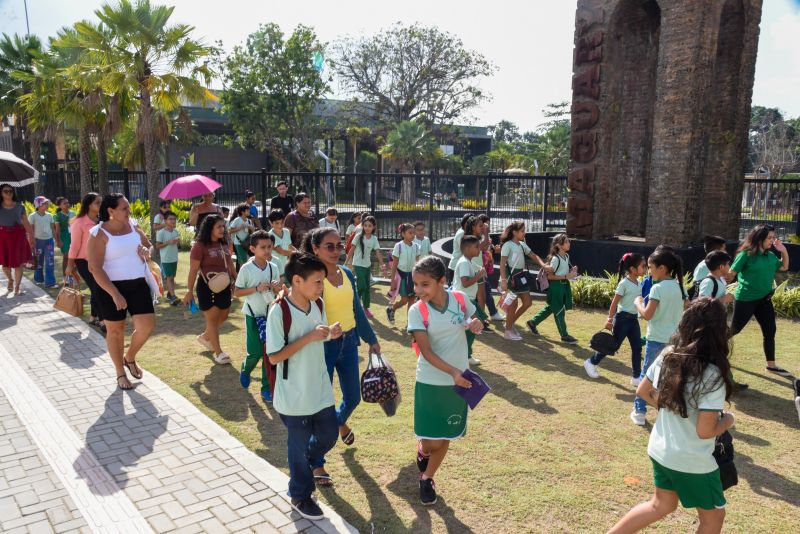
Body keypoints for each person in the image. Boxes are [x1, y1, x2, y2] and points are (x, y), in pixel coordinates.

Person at [609, 298, 735, 534]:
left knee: (660, 505)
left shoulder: (669, 354)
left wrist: (674, 406)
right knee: (714, 517)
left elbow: (643, 391)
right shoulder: (713, 374)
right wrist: (728, 421)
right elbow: (705, 431)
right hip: (692, 460)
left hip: (660, 449)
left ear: (685, 323)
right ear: (720, 330)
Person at [266, 252, 342, 521]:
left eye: (322, 281)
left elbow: (317, 335)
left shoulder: (317, 303)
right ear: (297, 280)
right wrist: (310, 337)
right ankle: (300, 494)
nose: (322, 286)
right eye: (318, 281)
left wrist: (330, 332)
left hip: (319, 388)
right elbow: (274, 356)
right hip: (293, 394)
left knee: (329, 436)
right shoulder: (279, 311)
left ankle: (305, 462)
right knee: (296, 446)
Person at [303, 228, 381, 486]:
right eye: (330, 246)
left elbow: (356, 309)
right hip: (323, 347)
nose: (337, 251)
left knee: (353, 398)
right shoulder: (312, 278)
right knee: (322, 405)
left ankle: (339, 424)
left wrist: (371, 339)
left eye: (339, 246)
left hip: (349, 343)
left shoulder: (347, 273)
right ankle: (316, 461)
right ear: (315, 249)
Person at [408, 256, 483, 506]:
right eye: (416, 284)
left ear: (442, 281)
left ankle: (427, 477)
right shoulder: (416, 310)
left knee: (447, 435)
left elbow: (476, 320)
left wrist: (476, 324)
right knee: (432, 440)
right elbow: (427, 352)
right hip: (430, 381)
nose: (418, 290)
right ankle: (423, 449)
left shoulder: (460, 300)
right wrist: (453, 372)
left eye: (425, 284)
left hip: (459, 381)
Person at [87, 194, 155, 390]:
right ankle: (120, 373)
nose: (129, 211)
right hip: (110, 288)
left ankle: (130, 357)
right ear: (111, 211)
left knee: (147, 325)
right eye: (124, 208)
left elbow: (148, 246)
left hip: (138, 284)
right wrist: (115, 293)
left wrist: (146, 251)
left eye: (128, 207)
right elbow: (94, 268)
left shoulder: (133, 225)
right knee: (115, 332)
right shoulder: (98, 233)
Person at [727, 224, 791, 382]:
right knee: (734, 330)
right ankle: (710, 353)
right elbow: (730, 275)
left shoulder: (770, 256)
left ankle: (771, 365)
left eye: (773, 237)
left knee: (770, 331)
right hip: (745, 300)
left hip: (764, 300)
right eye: (769, 238)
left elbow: (784, 267)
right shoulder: (745, 255)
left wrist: (783, 250)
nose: (772, 240)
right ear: (759, 238)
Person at [630, 248, 686, 426]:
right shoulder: (678, 287)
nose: (648, 271)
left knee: (648, 376)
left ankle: (639, 411)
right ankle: (667, 409)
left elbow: (647, 315)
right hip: (674, 341)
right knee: (669, 378)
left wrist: (638, 302)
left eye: (650, 267)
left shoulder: (657, 288)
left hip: (656, 340)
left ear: (662, 268)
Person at [234, 230, 282, 402]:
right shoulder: (246, 269)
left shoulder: (274, 267)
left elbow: (281, 291)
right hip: (253, 315)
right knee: (255, 352)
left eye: (269, 246)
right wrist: (256, 289)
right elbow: (237, 292)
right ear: (253, 249)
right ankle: (246, 369)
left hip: (271, 315)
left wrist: (277, 288)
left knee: (268, 352)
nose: (268, 250)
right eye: (263, 247)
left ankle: (266, 388)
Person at [183, 214, 237, 365]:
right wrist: (189, 291)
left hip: (225, 285)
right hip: (207, 287)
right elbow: (193, 270)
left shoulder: (224, 243)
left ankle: (206, 336)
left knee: (224, 315)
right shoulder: (199, 246)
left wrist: (236, 279)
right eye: (218, 226)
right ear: (209, 228)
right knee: (212, 319)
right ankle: (219, 353)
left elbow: (230, 264)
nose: (222, 229)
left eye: (223, 226)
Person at [584, 252, 646, 381]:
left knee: (637, 348)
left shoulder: (639, 283)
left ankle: (636, 377)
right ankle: (591, 363)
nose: (645, 268)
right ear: (633, 269)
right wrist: (609, 319)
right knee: (612, 345)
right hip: (622, 320)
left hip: (633, 320)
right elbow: (614, 304)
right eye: (643, 266)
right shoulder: (624, 283)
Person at [498, 221, 550, 341]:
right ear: (514, 232)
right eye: (522, 231)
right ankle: (508, 331)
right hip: (511, 277)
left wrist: (543, 265)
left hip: (521, 277)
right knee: (513, 305)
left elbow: (533, 255)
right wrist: (504, 280)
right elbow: (502, 263)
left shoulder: (522, 244)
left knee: (527, 302)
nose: (524, 233)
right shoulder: (507, 245)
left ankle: (509, 324)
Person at [527, 234, 579, 344]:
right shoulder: (555, 259)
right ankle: (564, 335)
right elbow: (549, 276)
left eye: (568, 241)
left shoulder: (567, 256)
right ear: (559, 245)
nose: (569, 243)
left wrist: (572, 272)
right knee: (559, 310)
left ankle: (532, 322)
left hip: (564, 285)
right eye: (566, 242)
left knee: (552, 307)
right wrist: (566, 276)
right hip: (556, 287)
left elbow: (565, 273)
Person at [66, 193, 103, 327]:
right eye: (97, 203)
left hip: (100, 261)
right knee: (98, 288)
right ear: (89, 205)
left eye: (100, 202)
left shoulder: (102, 220)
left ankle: (93, 317)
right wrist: (70, 265)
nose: (100, 205)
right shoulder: (79, 222)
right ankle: (103, 319)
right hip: (83, 261)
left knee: (96, 288)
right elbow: (74, 245)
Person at [452, 235, 487, 365]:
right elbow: (465, 283)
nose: (479, 249)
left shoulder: (468, 262)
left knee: (472, 327)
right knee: (473, 327)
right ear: (467, 248)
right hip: (463, 301)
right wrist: (479, 275)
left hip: (467, 300)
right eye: (476, 247)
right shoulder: (464, 262)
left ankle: (465, 354)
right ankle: (465, 356)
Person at [345, 215, 387, 318]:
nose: (367, 227)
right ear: (362, 226)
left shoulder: (374, 239)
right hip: (357, 264)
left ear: (374, 227)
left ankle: (365, 308)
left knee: (366, 287)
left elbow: (377, 252)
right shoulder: (358, 236)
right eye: (365, 225)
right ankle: (355, 306)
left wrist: (383, 266)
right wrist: (345, 263)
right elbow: (352, 249)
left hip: (367, 265)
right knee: (362, 285)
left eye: (370, 226)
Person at [0, 183, 34, 296]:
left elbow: (27, 224)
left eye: (10, 191)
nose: (9, 193)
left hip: (18, 237)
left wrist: (32, 238)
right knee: (5, 265)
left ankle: (17, 287)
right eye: (6, 191)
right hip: (3, 237)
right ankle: (10, 279)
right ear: (1, 193)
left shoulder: (20, 207)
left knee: (18, 264)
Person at [386, 223, 420, 324]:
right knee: (404, 299)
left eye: (414, 233)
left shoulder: (416, 246)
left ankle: (410, 322)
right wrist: (392, 281)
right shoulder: (398, 246)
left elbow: (417, 264)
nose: (413, 235)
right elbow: (394, 265)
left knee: (412, 299)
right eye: (410, 233)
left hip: (412, 276)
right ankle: (391, 309)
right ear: (403, 234)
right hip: (402, 276)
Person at [28, 196, 57, 288]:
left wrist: (57, 239)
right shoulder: (32, 216)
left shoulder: (49, 216)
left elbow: (53, 228)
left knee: (50, 262)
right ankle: (38, 279)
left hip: (49, 241)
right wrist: (31, 242)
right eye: (45, 203)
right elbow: (30, 231)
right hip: (38, 241)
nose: (47, 205)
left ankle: (50, 282)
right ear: (38, 205)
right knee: (39, 262)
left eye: (47, 203)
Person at [155, 211, 181, 304]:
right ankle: (173, 297)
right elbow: (157, 246)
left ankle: (170, 294)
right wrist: (168, 242)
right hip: (166, 259)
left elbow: (177, 245)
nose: (173, 221)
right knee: (169, 278)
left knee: (172, 277)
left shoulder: (176, 231)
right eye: (170, 219)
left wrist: (178, 242)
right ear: (165, 221)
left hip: (174, 258)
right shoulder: (161, 233)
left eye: (174, 219)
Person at [446, 213, 474, 284]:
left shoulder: (465, 232)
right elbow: (464, 250)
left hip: (461, 266)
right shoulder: (461, 233)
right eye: (468, 222)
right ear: (464, 223)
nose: (470, 224)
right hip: (455, 266)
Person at [53, 197, 75, 281]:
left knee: (74, 257)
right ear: (59, 206)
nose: (67, 204)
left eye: (67, 202)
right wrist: (58, 241)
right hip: (64, 236)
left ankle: (72, 276)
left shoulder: (73, 213)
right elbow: (57, 230)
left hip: (73, 236)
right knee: (66, 256)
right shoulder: (57, 216)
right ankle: (64, 276)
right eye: (64, 203)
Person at [268, 209, 294, 274]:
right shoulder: (269, 236)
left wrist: (299, 252)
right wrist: (297, 254)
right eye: (277, 223)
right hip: (274, 269)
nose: (280, 226)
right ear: (270, 223)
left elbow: (289, 246)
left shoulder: (286, 231)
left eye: (282, 222)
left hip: (285, 268)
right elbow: (282, 252)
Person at [229, 203, 254, 271]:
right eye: (247, 210)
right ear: (242, 212)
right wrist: (240, 228)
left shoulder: (249, 221)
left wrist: (251, 229)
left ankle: (242, 274)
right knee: (243, 260)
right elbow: (230, 230)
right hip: (239, 243)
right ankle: (242, 275)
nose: (249, 211)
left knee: (245, 259)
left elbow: (252, 233)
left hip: (247, 243)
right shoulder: (237, 220)